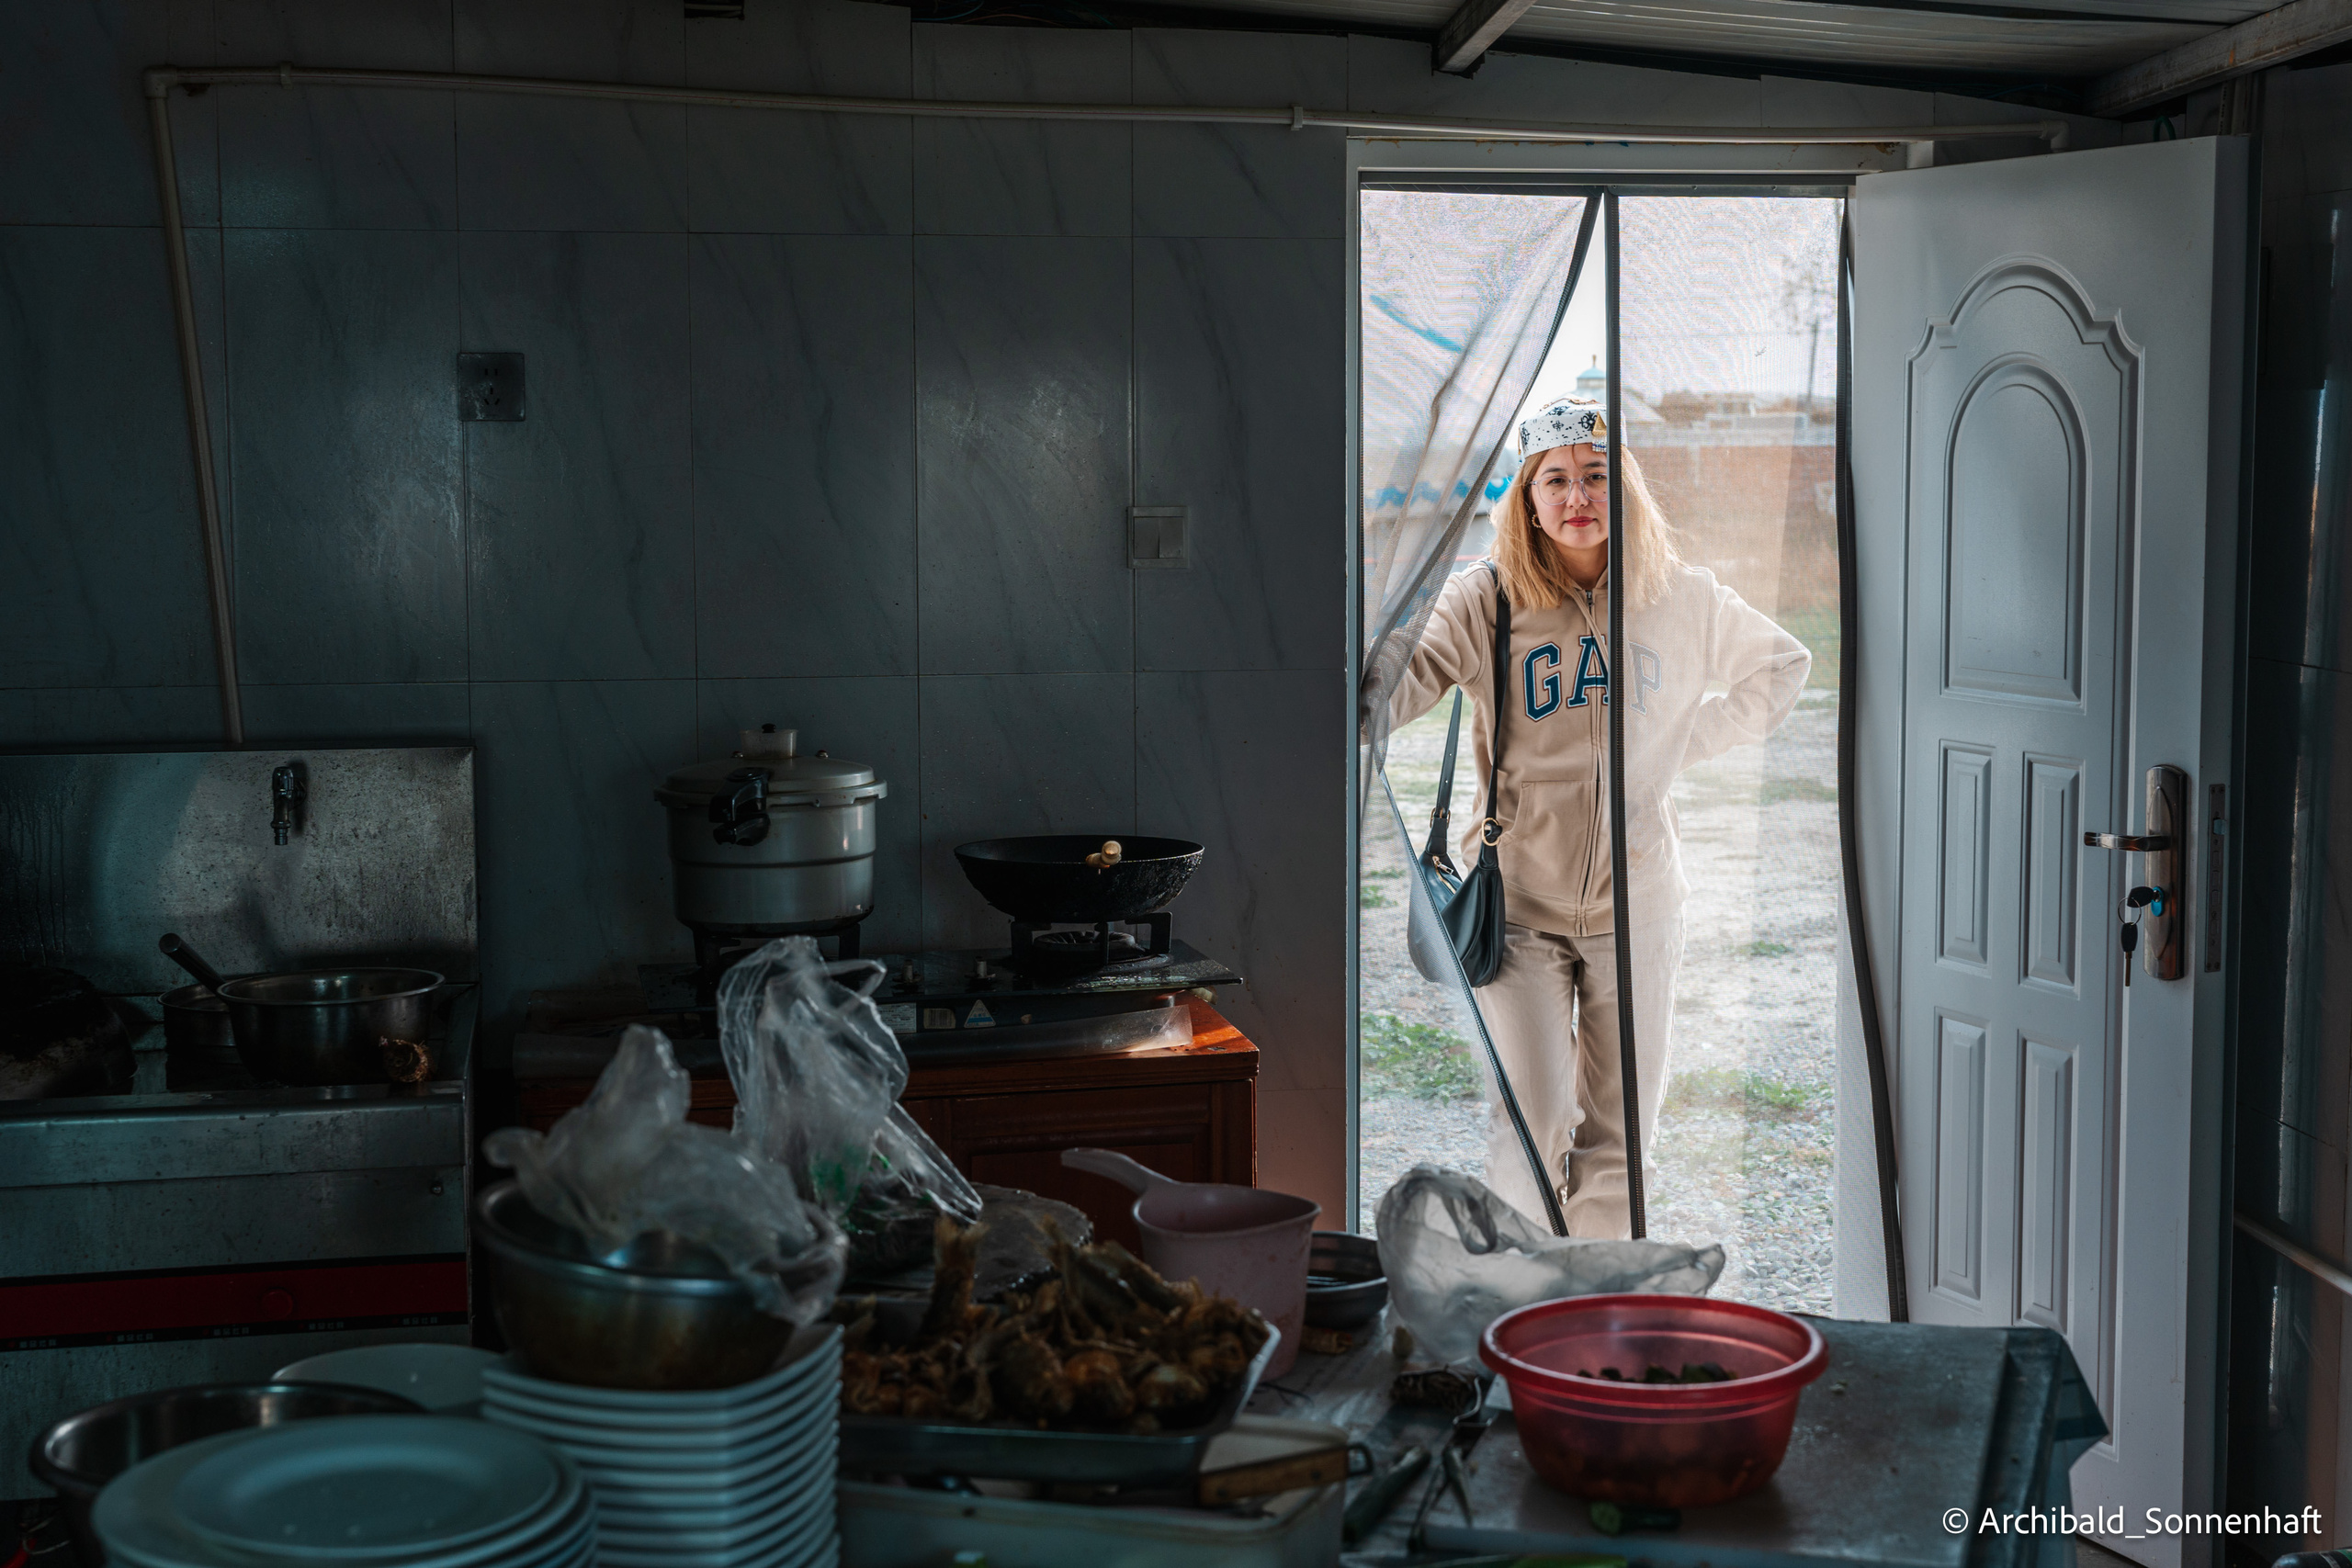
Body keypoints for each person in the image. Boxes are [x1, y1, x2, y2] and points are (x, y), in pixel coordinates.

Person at [1390, 396, 1811, 1236]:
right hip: (1519, 911)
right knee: (1533, 1119)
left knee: (1622, 1138)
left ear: (1625, 490)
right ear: (1529, 499)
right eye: (1556, 480)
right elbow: (1407, 677)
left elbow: (1782, 665)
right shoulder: (1489, 598)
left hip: (1641, 903)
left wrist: (1674, 747)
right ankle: (1515, 1309)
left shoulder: (1680, 597)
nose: (1577, 495)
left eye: (1595, 476)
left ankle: (1589, 1320)